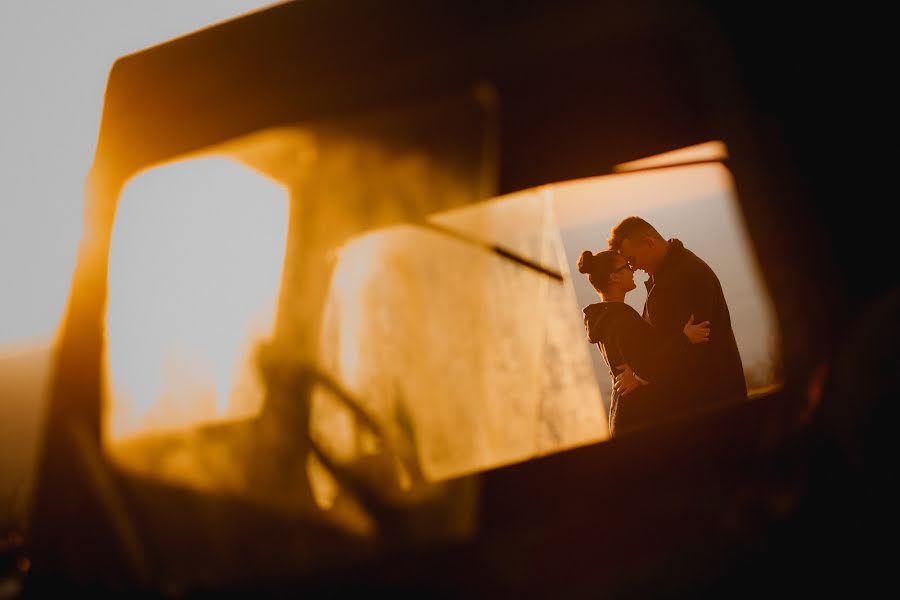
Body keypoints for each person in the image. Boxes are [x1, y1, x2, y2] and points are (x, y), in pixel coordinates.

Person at [607, 216, 747, 414]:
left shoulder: (689, 275)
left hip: (712, 404)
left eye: (632, 259)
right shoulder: (668, 272)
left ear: (649, 243)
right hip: (699, 402)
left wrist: (640, 375)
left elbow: (696, 347)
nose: (634, 268)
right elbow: (666, 338)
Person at [578, 249, 710, 436]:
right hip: (639, 420)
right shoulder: (622, 320)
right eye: (627, 267)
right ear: (614, 277)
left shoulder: (604, 317)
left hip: (625, 416)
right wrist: (685, 339)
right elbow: (646, 366)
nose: (632, 271)